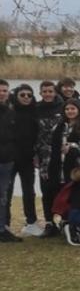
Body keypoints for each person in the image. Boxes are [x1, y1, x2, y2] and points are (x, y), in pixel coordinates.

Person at [6, 84, 41, 237]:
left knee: (29, 191)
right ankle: (4, 223)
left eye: (29, 95)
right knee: (6, 191)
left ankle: (31, 222)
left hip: (28, 159)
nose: (26, 97)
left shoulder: (35, 112)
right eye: (23, 95)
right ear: (16, 96)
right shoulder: (9, 111)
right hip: (9, 158)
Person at [46, 100, 80, 199]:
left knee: (73, 198)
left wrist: (74, 146)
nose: (70, 111)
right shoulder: (57, 127)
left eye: (73, 109)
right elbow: (49, 146)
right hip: (56, 169)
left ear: (79, 110)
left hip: (76, 169)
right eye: (67, 109)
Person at [35, 80, 63, 236]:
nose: (47, 94)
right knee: (46, 190)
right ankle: (49, 223)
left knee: (62, 187)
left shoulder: (62, 107)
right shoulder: (36, 109)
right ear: (40, 93)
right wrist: (35, 154)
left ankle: (65, 220)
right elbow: (32, 133)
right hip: (44, 156)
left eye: (50, 91)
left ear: (55, 92)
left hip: (61, 155)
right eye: (44, 91)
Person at [0, 80, 20, 242]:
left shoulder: (11, 112)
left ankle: (1, 229)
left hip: (6, 160)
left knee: (3, 195)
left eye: (5, 91)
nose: (2, 93)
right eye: (0, 90)